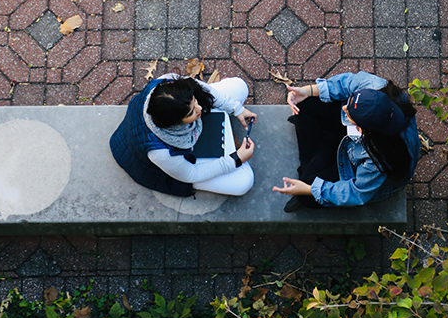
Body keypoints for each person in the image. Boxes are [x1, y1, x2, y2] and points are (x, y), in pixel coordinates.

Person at [273, 71, 419, 212]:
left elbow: (356, 193)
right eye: (350, 102)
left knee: (307, 195)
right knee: (305, 103)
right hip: (353, 139)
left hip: (353, 163)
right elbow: (345, 83)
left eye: (350, 114)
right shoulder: (374, 86)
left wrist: (308, 189)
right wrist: (307, 91)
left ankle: (313, 160)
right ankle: (314, 160)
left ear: (364, 129)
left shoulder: (379, 160)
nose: (344, 108)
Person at [110, 74, 257, 197]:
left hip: (168, 132)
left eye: (195, 101)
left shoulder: (168, 85)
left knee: (240, 87)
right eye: (191, 112)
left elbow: (201, 88)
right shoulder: (159, 152)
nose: (200, 109)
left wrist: (237, 109)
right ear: (175, 123)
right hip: (172, 169)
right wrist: (235, 160)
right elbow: (191, 174)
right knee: (245, 181)